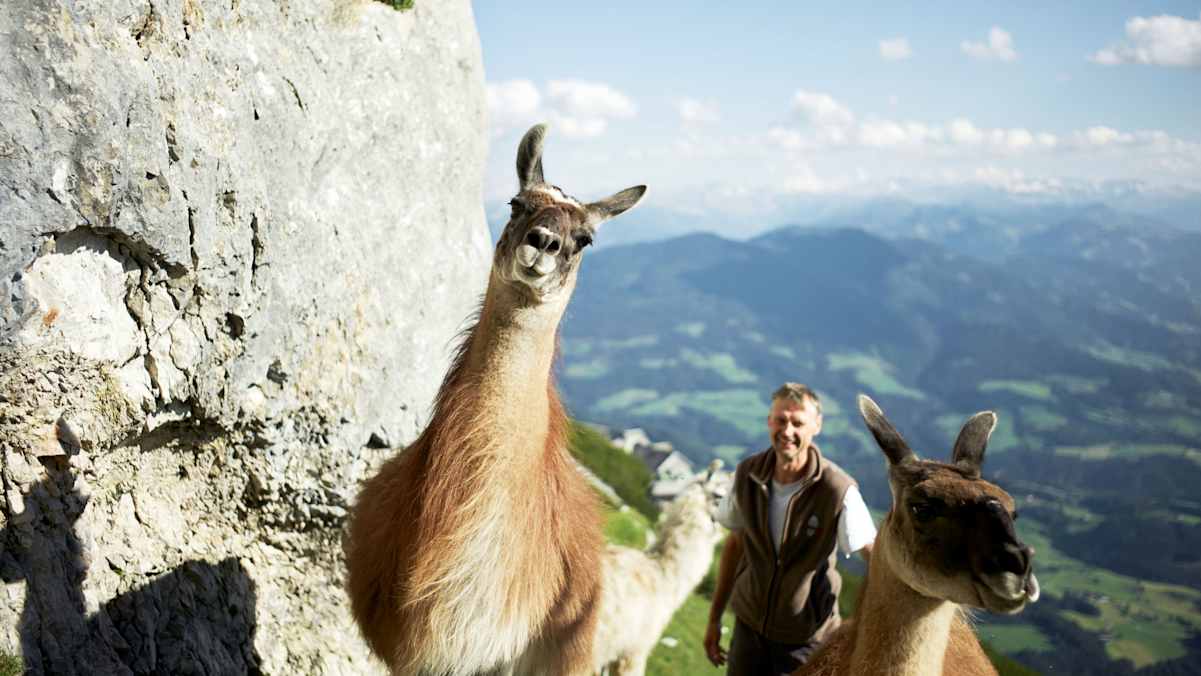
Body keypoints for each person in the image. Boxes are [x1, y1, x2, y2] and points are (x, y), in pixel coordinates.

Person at [703, 383, 876, 675]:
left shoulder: (837, 490)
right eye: (781, 420)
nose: (787, 431)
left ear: (816, 426)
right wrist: (714, 619)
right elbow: (735, 545)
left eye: (798, 423)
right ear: (769, 422)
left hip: (806, 642)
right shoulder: (747, 476)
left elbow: (875, 559)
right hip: (748, 631)